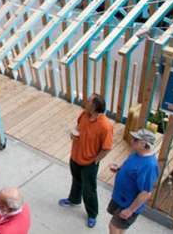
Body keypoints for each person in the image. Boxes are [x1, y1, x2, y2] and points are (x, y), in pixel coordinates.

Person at [60, 93, 114, 229]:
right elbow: (78, 128)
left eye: (89, 101)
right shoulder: (84, 114)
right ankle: (74, 199)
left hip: (89, 163)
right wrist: (74, 133)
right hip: (75, 157)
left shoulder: (105, 126)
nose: (86, 102)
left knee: (89, 190)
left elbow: (106, 148)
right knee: (76, 180)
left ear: (95, 106)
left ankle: (92, 214)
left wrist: (96, 161)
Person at [107, 129, 159, 233]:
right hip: (120, 198)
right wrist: (119, 169)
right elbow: (130, 168)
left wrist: (130, 210)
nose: (132, 140)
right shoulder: (136, 153)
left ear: (144, 144)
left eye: (135, 139)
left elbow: (146, 193)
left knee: (113, 227)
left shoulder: (150, 165)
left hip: (128, 204)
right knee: (120, 227)